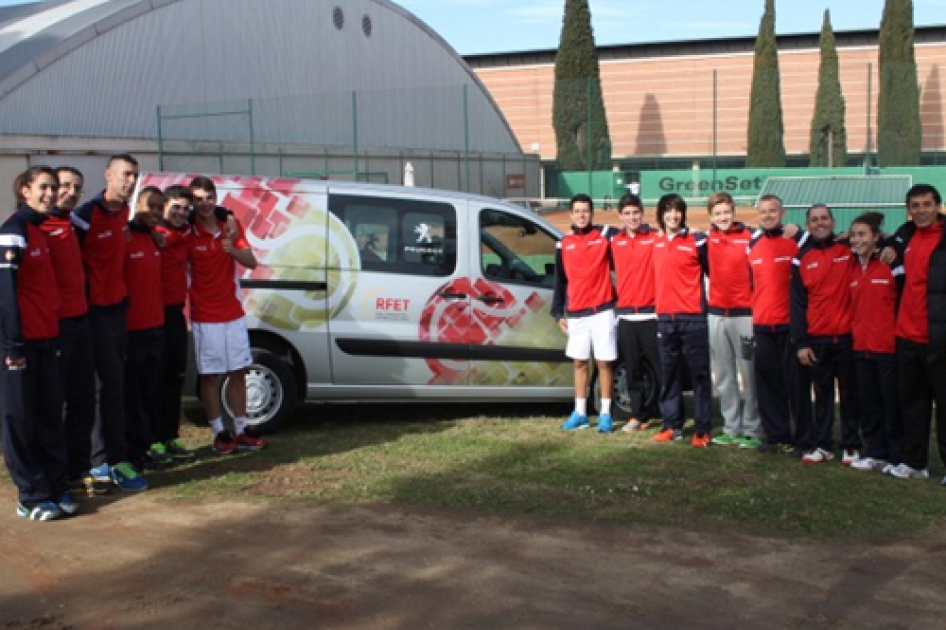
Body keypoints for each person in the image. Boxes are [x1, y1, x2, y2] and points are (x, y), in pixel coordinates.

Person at [0, 166, 73, 520]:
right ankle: (30, 495)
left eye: (54, 188)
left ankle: (56, 488)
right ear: (24, 190)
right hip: (19, 348)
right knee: (19, 420)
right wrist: (13, 347)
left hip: (47, 342)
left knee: (49, 418)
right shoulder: (13, 232)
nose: (50, 193)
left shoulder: (40, 232)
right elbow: (6, 297)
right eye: (43, 187)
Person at [72, 153, 147, 491]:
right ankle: (102, 461)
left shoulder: (127, 216)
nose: (130, 181)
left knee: (118, 385)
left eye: (134, 175)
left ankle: (116, 456)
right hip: (94, 315)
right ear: (108, 176)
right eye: (125, 175)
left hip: (120, 312)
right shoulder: (85, 217)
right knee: (105, 387)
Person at [188, 176, 267, 453]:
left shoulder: (230, 227)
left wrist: (232, 248)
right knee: (210, 376)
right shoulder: (188, 231)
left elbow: (251, 261)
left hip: (232, 312)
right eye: (197, 199)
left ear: (215, 197)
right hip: (204, 316)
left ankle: (241, 429)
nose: (204, 203)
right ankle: (219, 433)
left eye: (208, 197)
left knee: (238, 372)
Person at [40, 167, 98, 492]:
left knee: (82, 401)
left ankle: (78, 470)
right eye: (64, 186)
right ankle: (54, 473)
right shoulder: (34, 226)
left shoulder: (75, 224)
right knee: (55, 404)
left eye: (77, 187)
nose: (70, 192)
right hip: (54, 328)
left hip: (82, 323)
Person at [791, 204, 861, 465]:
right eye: (814, 220)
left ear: (832, 222)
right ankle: (823, 444)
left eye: (824, 219)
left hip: (847, 338)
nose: (820, 223)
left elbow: (878, 241)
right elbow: (797, 305)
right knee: (822, 397)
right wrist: (801, 342)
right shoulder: (801, 258)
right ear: (808, 226)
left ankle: (852, 444)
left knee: (850, 395)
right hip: (817, 339)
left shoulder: (849, 250)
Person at [885, 184, 946, 480]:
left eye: (927, 204)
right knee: (913, 405)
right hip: (907, 337)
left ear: (938, 207)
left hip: (939, 339)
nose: (921, 210)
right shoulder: (905, 235)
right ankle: (915, 463)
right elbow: (890, 241)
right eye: (915, 206)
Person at [747, 195, 811, 456]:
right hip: (762, 326)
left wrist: (801, 233)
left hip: (790, 327)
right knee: (768, 384)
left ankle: (805, 437)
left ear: (782, 213)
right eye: (763, 212)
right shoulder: (752, 245)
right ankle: (777, 435)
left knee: (796, 385)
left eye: (773, 211)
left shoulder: (797, 241)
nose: (768, 215)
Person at [551, 193, 617, 432]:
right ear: (571, 214)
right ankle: (579, 412)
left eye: (585, 211)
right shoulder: (563, 243)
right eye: (577, 211)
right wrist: (558, 312)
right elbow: (560, 281)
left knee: (604, 363)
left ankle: (606, 414)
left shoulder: (605, 236)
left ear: (592, 213)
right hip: (577, 313)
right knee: (580, 363)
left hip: (603, 311)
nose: (581, 215)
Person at [650, 193, 713, 447]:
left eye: (677, 210)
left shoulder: (697, 241)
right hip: (666, 318)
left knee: (699, 376)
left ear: (683, 214)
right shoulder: (654, 242)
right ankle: (672, 425)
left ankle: (702, 429)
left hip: (693, 318)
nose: (673, 215)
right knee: (669, 374)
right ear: (661, 214)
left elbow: (711, 270)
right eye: (668, 210)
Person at [847, 212, 903, 473]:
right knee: (869, 404)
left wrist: (892, 245)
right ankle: (875, 452)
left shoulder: (891, 263)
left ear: (875, 237)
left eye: (863, 235)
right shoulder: (852, 266)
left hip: (887, 348)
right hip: (861, 348)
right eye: (854, 235)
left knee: (891, 404)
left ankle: (896, 455)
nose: (857, 240)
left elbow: (904, 300)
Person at [704, 192, 761, 449]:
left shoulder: (751, 237)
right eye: (717, 214)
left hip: (744, 317)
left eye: (726, 212)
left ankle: (753, 428)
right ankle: (731, 427)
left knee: (748, 374)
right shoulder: (707, 239)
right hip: (716, 315)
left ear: (733, 212)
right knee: (724, 375)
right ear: (711, 217)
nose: (723, 218)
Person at [124, 187, 170, 472]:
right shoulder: (124, 236)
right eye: (150, 206)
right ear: (136, 205)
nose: (154, 212)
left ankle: (143, 448)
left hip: (156, 327)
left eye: (159, 207)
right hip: (131, 330)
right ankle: (129, 452)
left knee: (149, 392)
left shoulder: (155, 238)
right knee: (130, 395)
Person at [609, 193, 660, 432]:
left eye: (636, 212)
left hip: (652, 314)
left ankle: (670, 415)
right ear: (620, 216)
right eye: (627, 214)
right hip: (627, 315)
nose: (632, 217)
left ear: (642, 213)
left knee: (661, 369)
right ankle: (638, 416)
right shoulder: (614, 241)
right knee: (633, 370)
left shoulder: (654, 238)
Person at [153, 185, 196, 460]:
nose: (181, 213)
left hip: (175, 315)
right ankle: (152, 440)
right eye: (175, 207)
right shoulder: (154, 233)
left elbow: (212, 212)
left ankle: (169, 437)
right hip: (152, 316)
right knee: (153, 381)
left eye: (185, 208)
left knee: (174, 380)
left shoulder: (187, 233)